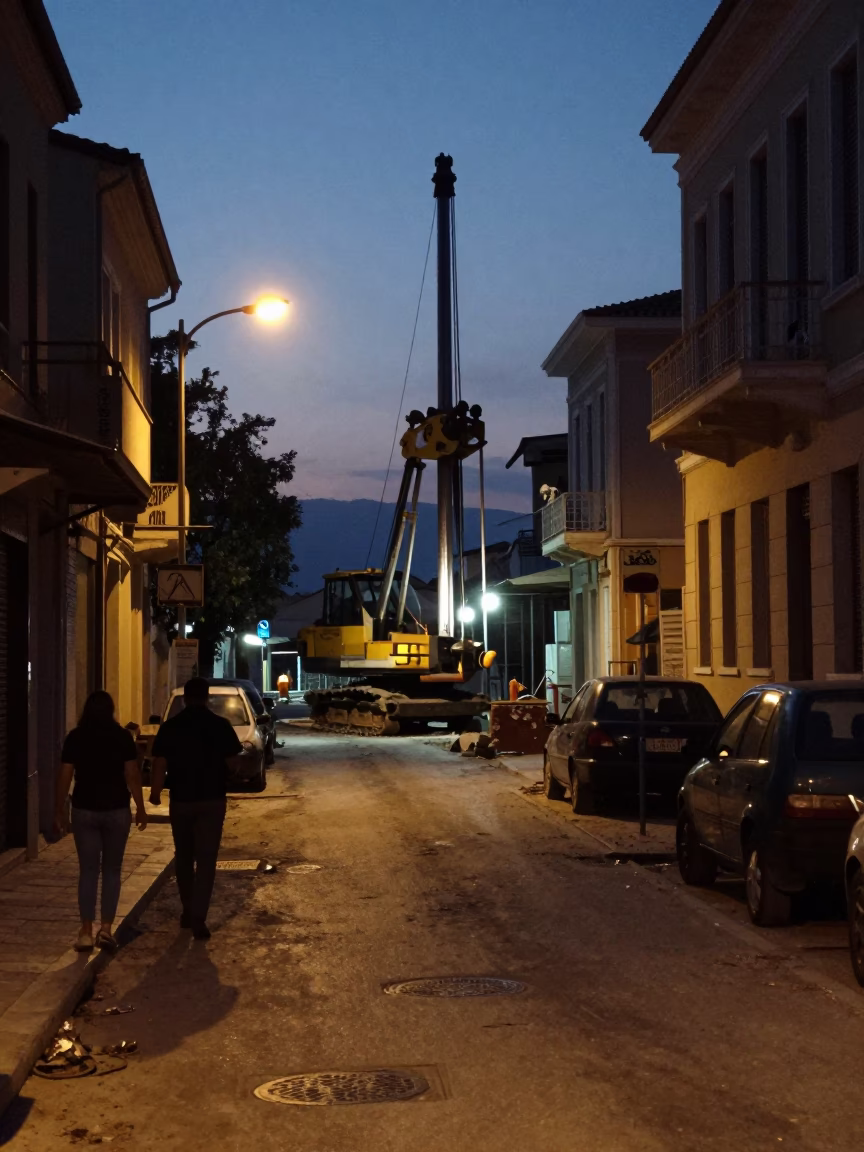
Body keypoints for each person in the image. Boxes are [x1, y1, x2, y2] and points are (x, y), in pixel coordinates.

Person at [54, 691, 147, 954]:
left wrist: (58, 809)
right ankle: (105, 929)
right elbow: (132, 774)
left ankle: (86, 930)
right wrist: (140, 808)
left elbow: (65, 775)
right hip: (117, 808)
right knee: (112, 871)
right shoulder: (121, 737)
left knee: (88, 870)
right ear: (111, 710)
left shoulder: (76, 737)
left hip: (84, 809)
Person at [149, 677, 241, 940]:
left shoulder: (171, 727)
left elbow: (159, 763)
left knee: (184, 856)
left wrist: (155, 793)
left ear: (187, 698)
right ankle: (199, 916)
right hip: (212, 800)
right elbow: (234, 763)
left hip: (181, 801)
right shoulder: (220, 725)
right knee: (207, 859)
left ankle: (188, 910)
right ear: (207, 697)